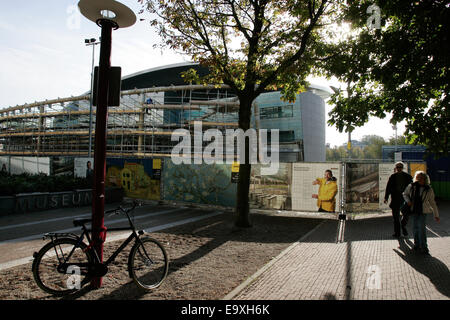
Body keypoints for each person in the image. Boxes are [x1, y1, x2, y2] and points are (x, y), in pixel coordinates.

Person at [403, 171, 439, 255]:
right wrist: (408, 201)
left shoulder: (428, 189)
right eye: (418, 177)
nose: (420, 179)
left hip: (423, 211)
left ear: (425, 179)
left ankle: (424, 247)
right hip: (414, 210)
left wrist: (436, 215)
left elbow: (432, 202)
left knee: (421, 229)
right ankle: (417, 244)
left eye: (422, 178)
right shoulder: (412, 186)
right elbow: (405, 194)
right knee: (415, 228)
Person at [384, 162, 412, 238]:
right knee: (396, 217)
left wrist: (412, 198)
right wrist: (386, 197)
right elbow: (388, 187)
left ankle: (403, 226)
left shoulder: (408, 177)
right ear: (396, 168)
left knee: (406, 215)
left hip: (405, 199)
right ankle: (397, 233)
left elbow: (412, 188)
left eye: (400, 167)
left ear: (402, 168)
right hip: (395, 199)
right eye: (397, 167)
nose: (399, 168)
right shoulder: (392, 177)